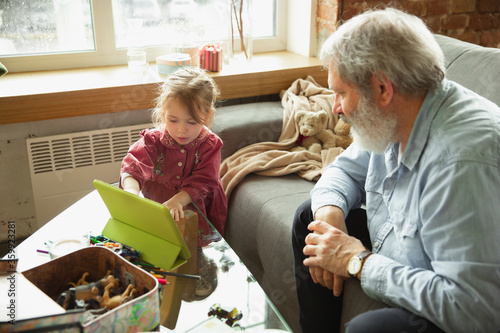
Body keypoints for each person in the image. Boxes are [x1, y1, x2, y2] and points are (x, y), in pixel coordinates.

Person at [292, 8, 500, 333]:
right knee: (312, 217)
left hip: (464, 302)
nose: (335, 108)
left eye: (341, 93)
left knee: (369, 329)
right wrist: (329, 217)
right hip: (413, 258)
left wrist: (358, 261)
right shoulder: (398, 112)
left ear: (382, 89)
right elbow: (343, 172)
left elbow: (473, 308)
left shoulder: (460, 162)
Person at [120, 66, 227, 247]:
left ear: (207, 116)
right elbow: (133, 164)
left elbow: (205, 180)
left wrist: (178, 200)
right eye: (173, 120)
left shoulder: (210, 145)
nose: (181, 130)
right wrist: (132, 192)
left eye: (192, 122)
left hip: (197, 210)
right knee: (160, 248)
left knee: (193, 253)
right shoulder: (153, 141)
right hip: (158, 208)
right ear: (163, 114)